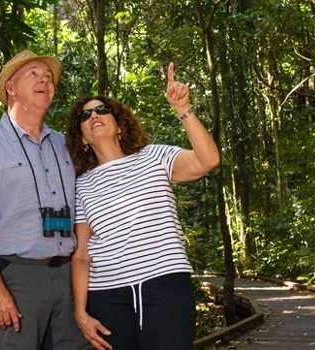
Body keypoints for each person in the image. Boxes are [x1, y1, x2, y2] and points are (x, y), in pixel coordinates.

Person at [67, 63, 221, 350]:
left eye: (102, 110)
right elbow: (81, 254)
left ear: (120, 125)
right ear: (82, 138)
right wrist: (80, 312)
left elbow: (207, 160)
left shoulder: (154, 157)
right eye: (85, 115)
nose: (94, 116)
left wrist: (183, 109)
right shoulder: (82, 185)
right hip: (106, 295)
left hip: (164, 284)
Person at [0, 49, 89, 350]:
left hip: (68, 278)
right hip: (18, 277)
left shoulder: (64, 144)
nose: (44, 80)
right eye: (34, 74)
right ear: (11, 88)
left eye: (48, 77)